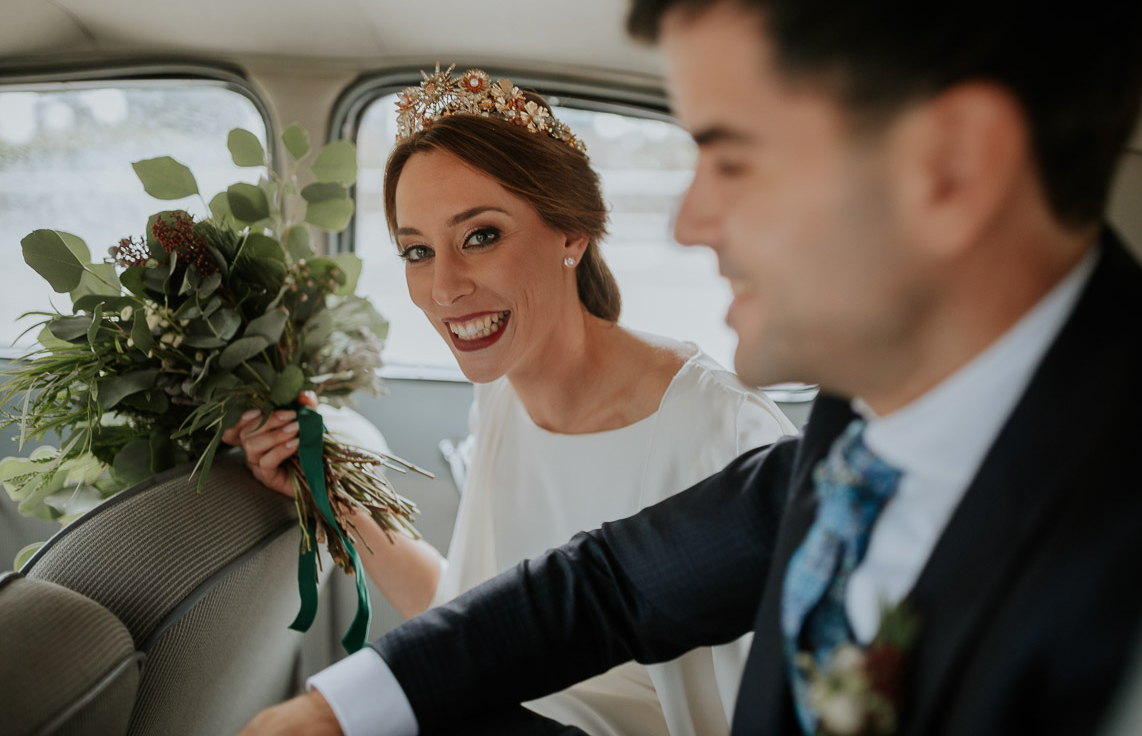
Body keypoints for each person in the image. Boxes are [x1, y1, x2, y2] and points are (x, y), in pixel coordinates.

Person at [239, 0, 1142, 734]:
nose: (691, 223)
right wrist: (338, 709)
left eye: (732, 158)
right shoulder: (862, 420)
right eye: (414, 250)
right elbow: (604, 588)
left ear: (955, 167)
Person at [225, 64, 795, 736]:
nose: (443, 287)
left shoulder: (721, 433)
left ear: (571, 234)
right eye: (416, 250)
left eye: (480, 236)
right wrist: (334, 499)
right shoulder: (500, 397)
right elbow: (480, 622)